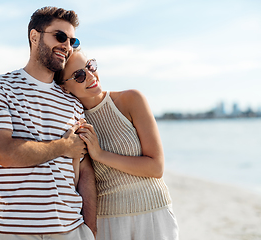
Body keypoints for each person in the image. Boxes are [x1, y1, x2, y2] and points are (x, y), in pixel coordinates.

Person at [0, 7, 96, 240]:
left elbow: (85, 171)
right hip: (18, 232)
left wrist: (90, 230)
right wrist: (62, 146)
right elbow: (4, 152)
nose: (67, 46)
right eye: (60, 36)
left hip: (73, 231)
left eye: (72, 40)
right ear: (34, 36)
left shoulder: (73, 103)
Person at [54, 49, 179, 240]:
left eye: (90, 66)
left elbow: (156, 167)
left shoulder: (131, 100)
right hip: (108, 222)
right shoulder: (74, 124)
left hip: (154, 214)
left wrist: (101, 155)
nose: (90, 76)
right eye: (79, 75)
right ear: (64, 87)